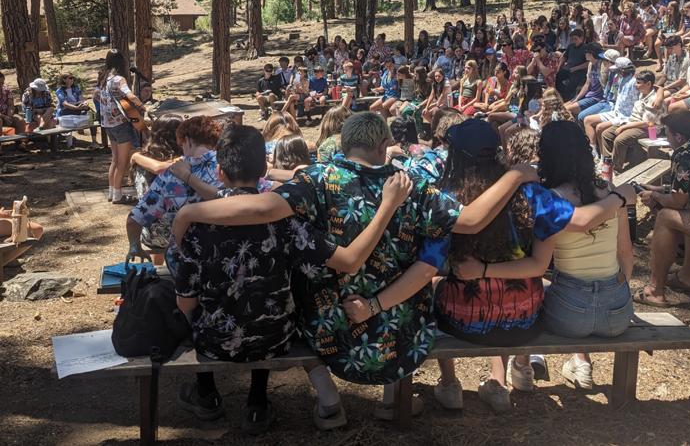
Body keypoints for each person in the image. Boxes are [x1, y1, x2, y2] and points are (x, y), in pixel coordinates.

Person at [169, 113, 550, 415]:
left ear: (343, 144)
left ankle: (330, 400)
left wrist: (190, 212)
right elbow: (471, 220)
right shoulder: (410, 183)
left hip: (331, 330)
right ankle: (392, 399)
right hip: (402, 335)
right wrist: (516, 174)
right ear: (384, 145)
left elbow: (260, 207)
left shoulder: (318, 180)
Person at [342, 119, 636, 410]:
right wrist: (619, 197)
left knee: (432, 284)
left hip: (465, 319)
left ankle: (449, 383)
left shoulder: (446, 200)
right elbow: (577, 224)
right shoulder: (532, 194)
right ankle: (501, 378)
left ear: (455, 156)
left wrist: (374, 306)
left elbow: (428, 267)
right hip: (523, 320)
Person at [174, 124, 414, 431]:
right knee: (269, 299)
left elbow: (186, 301)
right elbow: (349, 260)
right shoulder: (288, 222)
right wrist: (387, 206)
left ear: (220, 173)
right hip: (276, 338)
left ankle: (206, 393)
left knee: (195, 312)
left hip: (214, 341)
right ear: (264, 170)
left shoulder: (196, 226)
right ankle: (257, 403)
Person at [484, 121, 634, 390]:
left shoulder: (550, 198)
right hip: (618, 312)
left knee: (528, 291)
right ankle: (581, 363)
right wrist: (617, 288)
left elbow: (537, 266)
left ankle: (521, 365)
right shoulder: (612, 192)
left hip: (570, 314)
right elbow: (625, 252)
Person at [636, 110, 690, 306]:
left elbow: (677, 202)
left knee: (666, 217)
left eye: (666, 133)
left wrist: (655, 196)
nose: (665, 138)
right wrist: (661, 190)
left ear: (678, 136)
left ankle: (655, 291)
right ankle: (687, 276)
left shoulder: (684, 153)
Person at [125, 116, 222, 272]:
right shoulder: (227, 165)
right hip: (228, 253)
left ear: (187, 140)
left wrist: (135, 247)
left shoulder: (171, 174)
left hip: (186, 260)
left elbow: (135, 218)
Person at [98, 51, 144, 204]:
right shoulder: (119, 79)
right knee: (123, 162)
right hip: (121, 124)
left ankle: (112, 192)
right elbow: (130, 95)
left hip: (108, 125)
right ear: (121, 63)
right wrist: (141, 105)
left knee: (115, 159)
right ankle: (118, 196)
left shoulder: (104, 78)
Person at [599, 70, 659, 173]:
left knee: (620, 140)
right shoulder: (642, 93)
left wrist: (624, 127)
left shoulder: (653, 99)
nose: (636, 85)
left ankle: (616, 169)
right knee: (606, 134)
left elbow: (647, 123)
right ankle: (608, 163)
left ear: (648, 84)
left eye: (639, 83)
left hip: (647, 129)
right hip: (632, 122)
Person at [565, 43, 605, 116]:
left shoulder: (603, 66)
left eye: (586, 52)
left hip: (597, 98)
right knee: (563, 106)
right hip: (589, 95)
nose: (585, 54)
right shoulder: (590, 64)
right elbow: (587, 84)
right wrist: (577, 98)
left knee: (566, 109)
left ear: (592, 54)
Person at [555, 28, 588, 100]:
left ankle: (567, 98)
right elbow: (564, 57)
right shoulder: (571, 46)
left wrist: (575, 68)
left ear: (581, 38)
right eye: (572, 39)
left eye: (575, 39)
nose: (573, 41)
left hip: (578, 71)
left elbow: (587, 63)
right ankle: (561, 94)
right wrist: (558, 68)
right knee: (556, 77)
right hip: (568, 68)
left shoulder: (585, 48)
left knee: (570, 86)